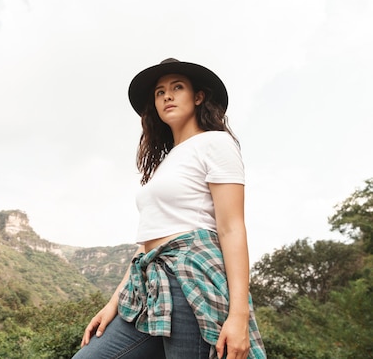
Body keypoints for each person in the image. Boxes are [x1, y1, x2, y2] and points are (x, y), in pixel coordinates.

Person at [72, 58, 266, 359]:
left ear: (198, 96)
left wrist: (239, 315)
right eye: (160, 92)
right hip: (149, 285)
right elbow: (146, 244)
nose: (167, 96)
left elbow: (231, 228)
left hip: (191, 277)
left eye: (177, 87)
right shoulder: (165, 164)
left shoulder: (216, 143)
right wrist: (113, 302)